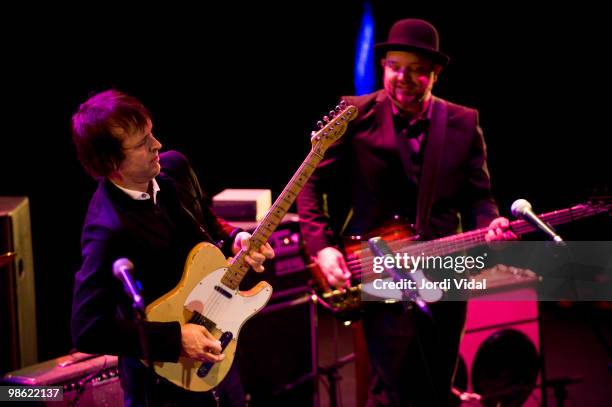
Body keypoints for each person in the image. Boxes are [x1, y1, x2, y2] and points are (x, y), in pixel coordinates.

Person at [297, 18, 515, 406]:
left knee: (435, 381)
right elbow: (310, 184)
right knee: (394, 387)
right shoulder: (353, 114)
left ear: (435, 75)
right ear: (383, 67)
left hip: (449, 272)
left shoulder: (464, 122)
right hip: (379, 268)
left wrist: (491, 224)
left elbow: (480, 198)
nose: (403, 78)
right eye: (395, 67)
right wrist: (322, 247)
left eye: (417, 71)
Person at [70, 89, 274, 407]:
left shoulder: (173, 169)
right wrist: (175, 339)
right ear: (112, 164)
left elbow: (206, 217)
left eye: (151, 133)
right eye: (141, 144)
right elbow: (87, 328)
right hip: (163, 385)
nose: (157, 146)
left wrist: (236, 237)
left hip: (218, 352)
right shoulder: (107, 230)